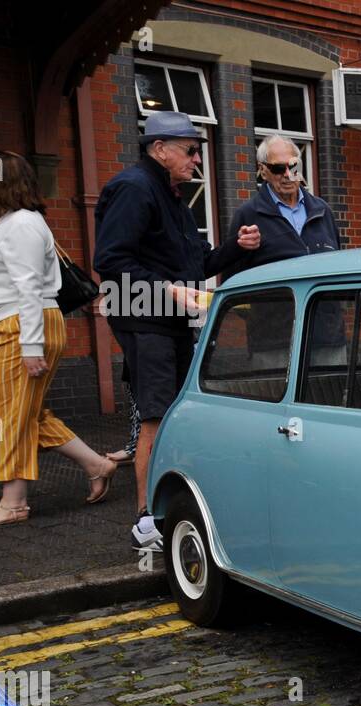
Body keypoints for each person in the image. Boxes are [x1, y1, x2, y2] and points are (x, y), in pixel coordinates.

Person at [94, 111, 260, 550]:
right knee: (156, 418)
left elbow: (199, 264)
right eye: (190, 150)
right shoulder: (133, 188)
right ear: (160, 149)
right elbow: (110, 262)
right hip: (145, 319)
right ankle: (145, 522)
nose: (197, 159)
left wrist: (236, 251)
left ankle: (172, 506)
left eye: (198, 150)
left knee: (176, 415)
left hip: (170, 321)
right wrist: (167, 291)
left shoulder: (173, 196)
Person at [0, 150, 117, 527]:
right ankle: (96, 465)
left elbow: (29, 287)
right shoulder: (15, 223)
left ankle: (13, 502)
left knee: (7, 417)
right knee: (27, 415)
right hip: (14, 330)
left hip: (20, 331)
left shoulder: (21, 224)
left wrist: (30, 347)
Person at [225, 135, 344, 368]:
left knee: (330, 400)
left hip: (326, 338)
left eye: (293, 166)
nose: (288, 175)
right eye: (279, 169)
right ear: (263, 171)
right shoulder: (248, 216)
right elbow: (233, 282)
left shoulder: (322, 210)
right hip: (273, 343)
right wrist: (266, 315)